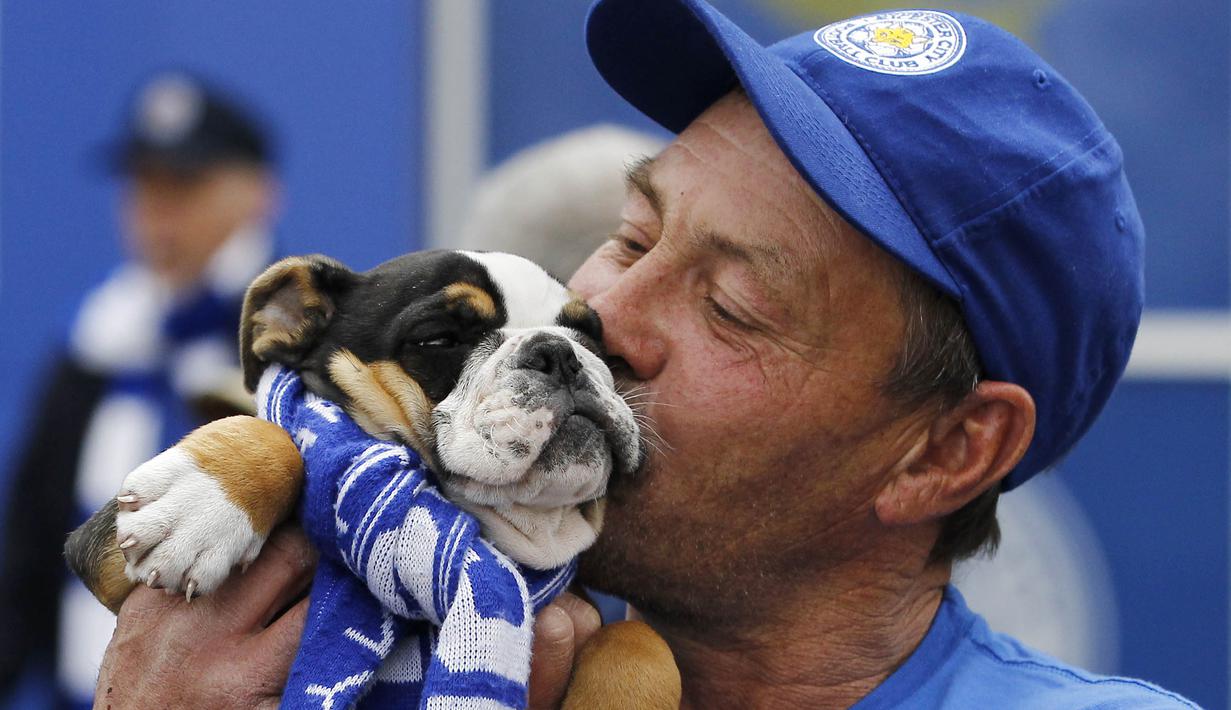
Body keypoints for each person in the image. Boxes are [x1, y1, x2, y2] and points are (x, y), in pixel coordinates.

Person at [91, 2, 1198, 708]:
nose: (601, 312)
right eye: (627, 233)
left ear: (944, 451)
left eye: (729, 302)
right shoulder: (365, 616)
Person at [0, 72, 279, 708]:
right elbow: (33, 544)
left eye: (184, 185)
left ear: (259, 193)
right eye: (142, 186)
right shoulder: (94, 347)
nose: (157, 211)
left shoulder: (287, 346)